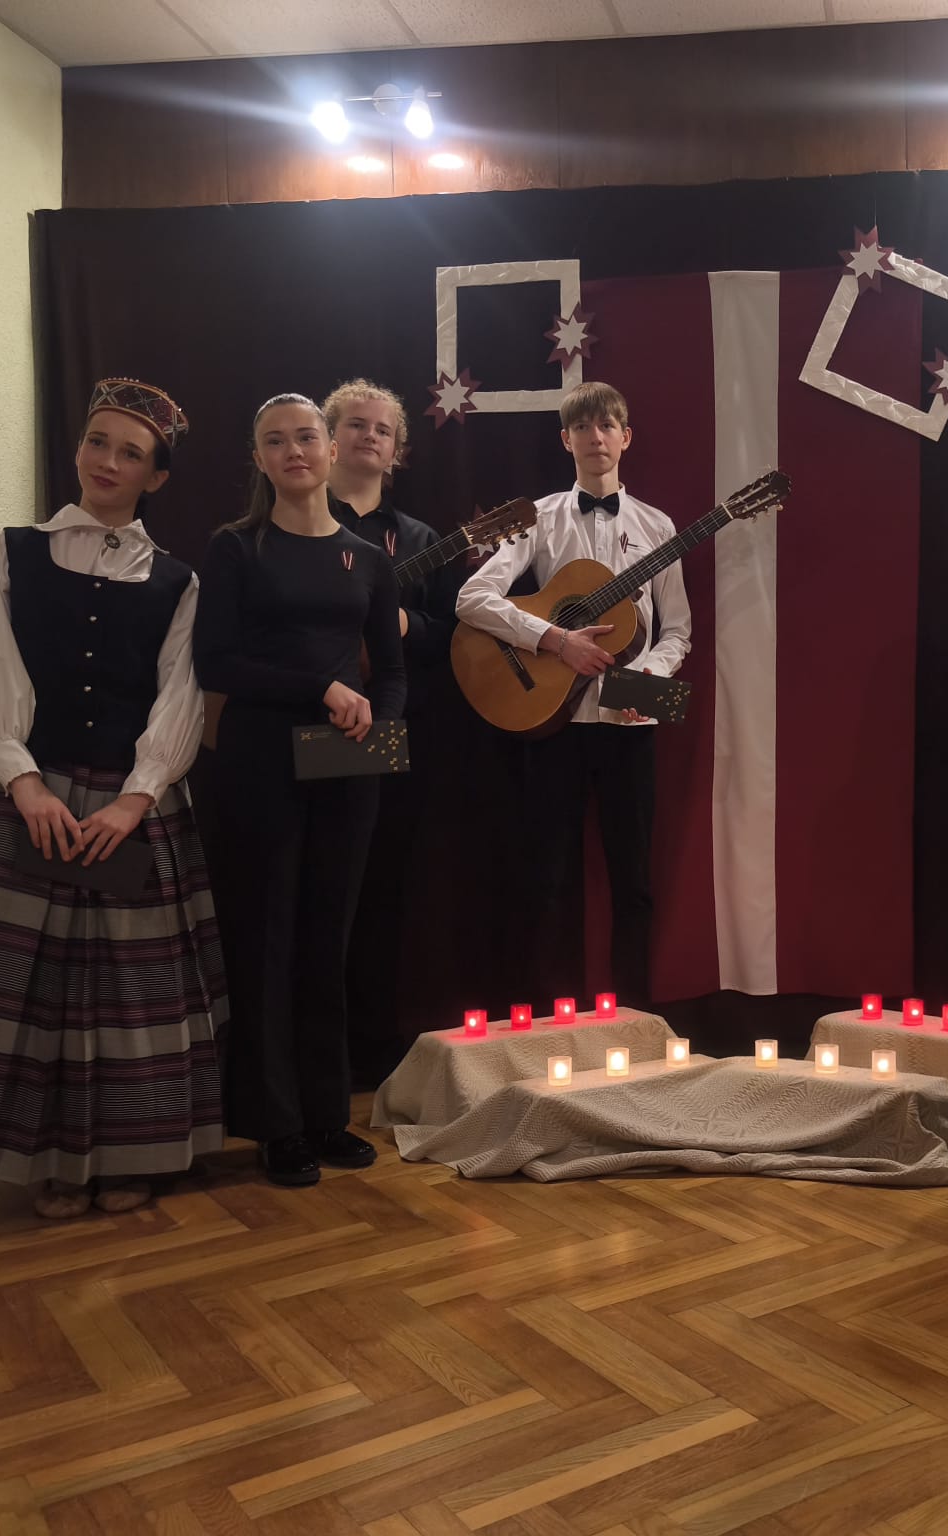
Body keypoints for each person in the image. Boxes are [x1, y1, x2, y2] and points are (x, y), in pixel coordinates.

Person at [0, 378, 224, 1219]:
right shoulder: (7, 552)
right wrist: (24, 780)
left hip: (130, 802)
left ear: (156, 476)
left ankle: (130, 1155)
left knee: (130, 994)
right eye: (97, 442)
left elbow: (179, 696)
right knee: (23, 990)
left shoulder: (179, 581)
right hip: (22, 795)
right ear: (78, 448)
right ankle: (47, 1163)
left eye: (130, 452)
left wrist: (136, 799)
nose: (107, 461)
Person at [194, 393, 406, 1187]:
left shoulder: (370, 559)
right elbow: (216, 662)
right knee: (267, 941)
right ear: (259, 459)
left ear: (329, 449)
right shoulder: (235, 548)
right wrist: (319, 688)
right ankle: (274, 1124)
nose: (294, 451)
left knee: (327, 940)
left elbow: (391, 672)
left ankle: (325, 1115)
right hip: (257, 767)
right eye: (276, 441)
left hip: (346, 768)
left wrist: (379, 727)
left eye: (306, 436)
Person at [455, 380, 690, 1008]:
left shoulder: (659, 526)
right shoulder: (539, 516)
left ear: (625, 437)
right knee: (544, 879)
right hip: (549, 720)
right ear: (565, 440)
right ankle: (540, 1019)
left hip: (628, 725)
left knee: (633, 883)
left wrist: (649, 678)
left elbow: (678, 631)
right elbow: (472, 598)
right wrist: (554, 640)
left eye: (606, 425)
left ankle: (635, 1017)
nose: (595, 437)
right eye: (582, 427)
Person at [321, 379, 456, 1085]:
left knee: (381, 893)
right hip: (304, 724)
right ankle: (309, 1055)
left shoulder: (423, 540)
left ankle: (370, 1055)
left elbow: (448, 633)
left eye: (382, 429)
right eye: (355, 424)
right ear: (328, 438)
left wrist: (404, 623)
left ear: (396, 450)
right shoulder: (295, 520)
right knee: (314, 891)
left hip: (391, 730)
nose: (369, 436)